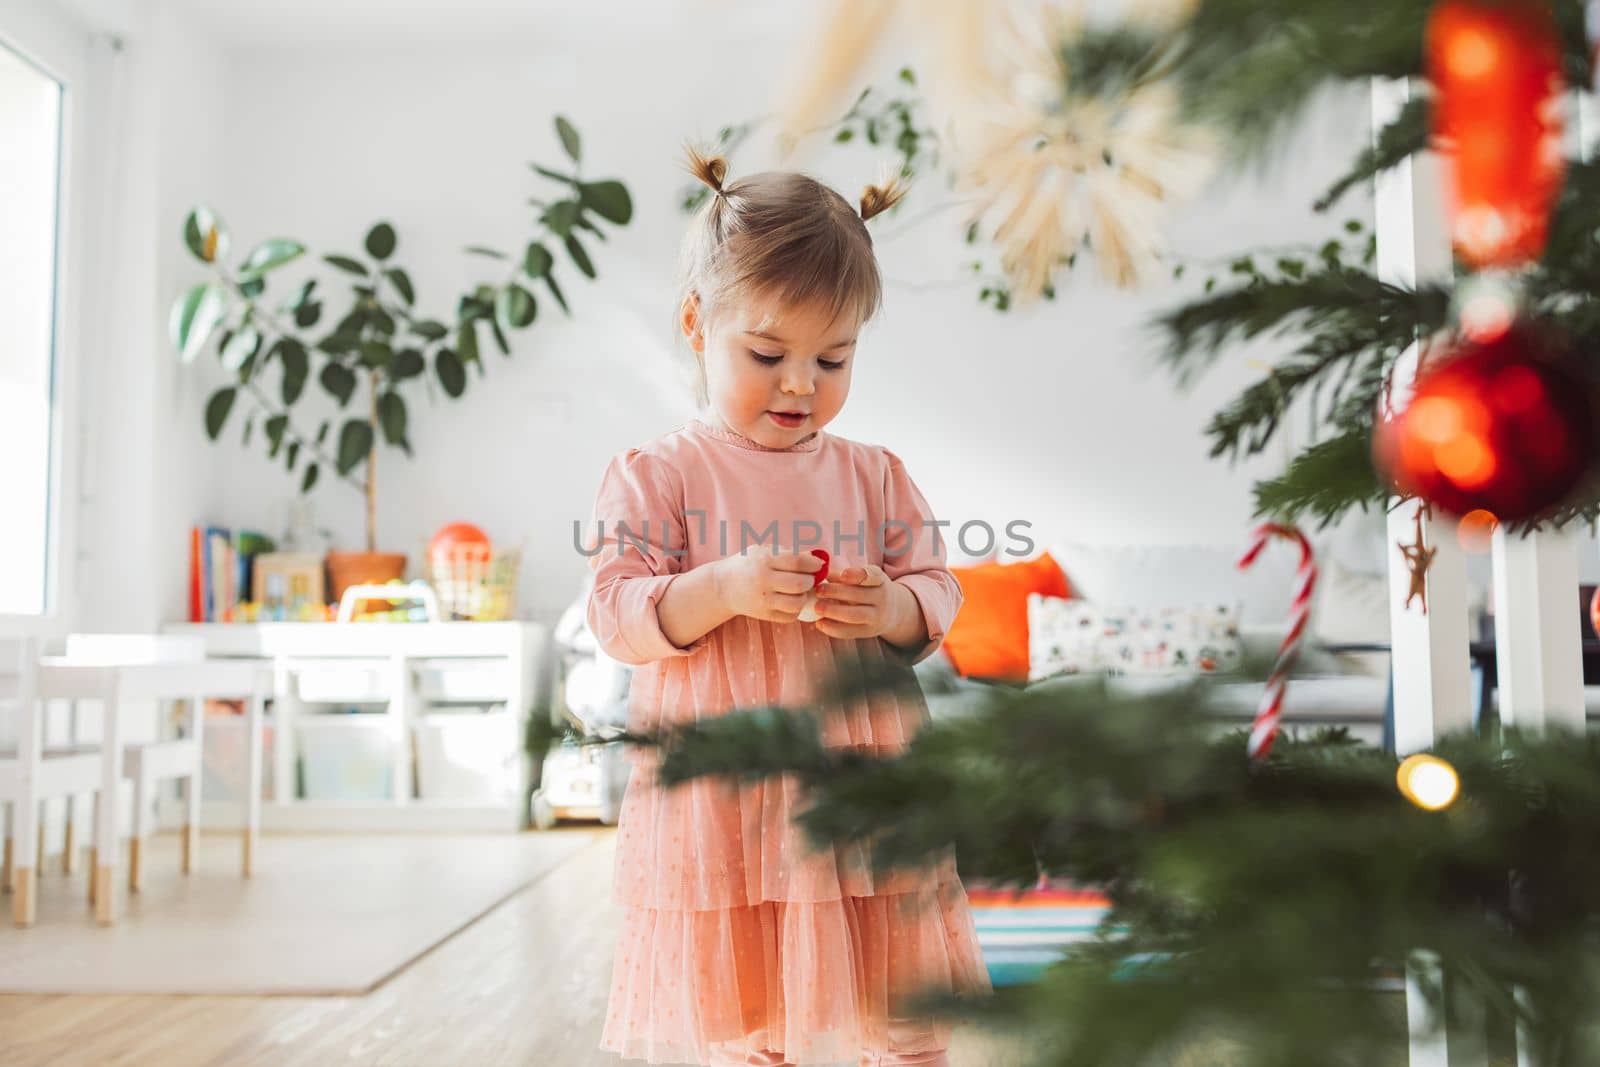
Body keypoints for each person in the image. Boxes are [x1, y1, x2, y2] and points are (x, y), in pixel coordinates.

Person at [587, 147, 991, 1067]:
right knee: (748, 1010)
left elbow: (937, 591)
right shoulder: (660, 475)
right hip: (726, 794)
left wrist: (887, 605)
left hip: (856, 785)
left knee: (898, 1002)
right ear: (697, 323)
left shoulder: (873, 474)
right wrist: (721, 587)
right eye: (767, 354)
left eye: (833, 357)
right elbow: (615, 613)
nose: (802, 383)